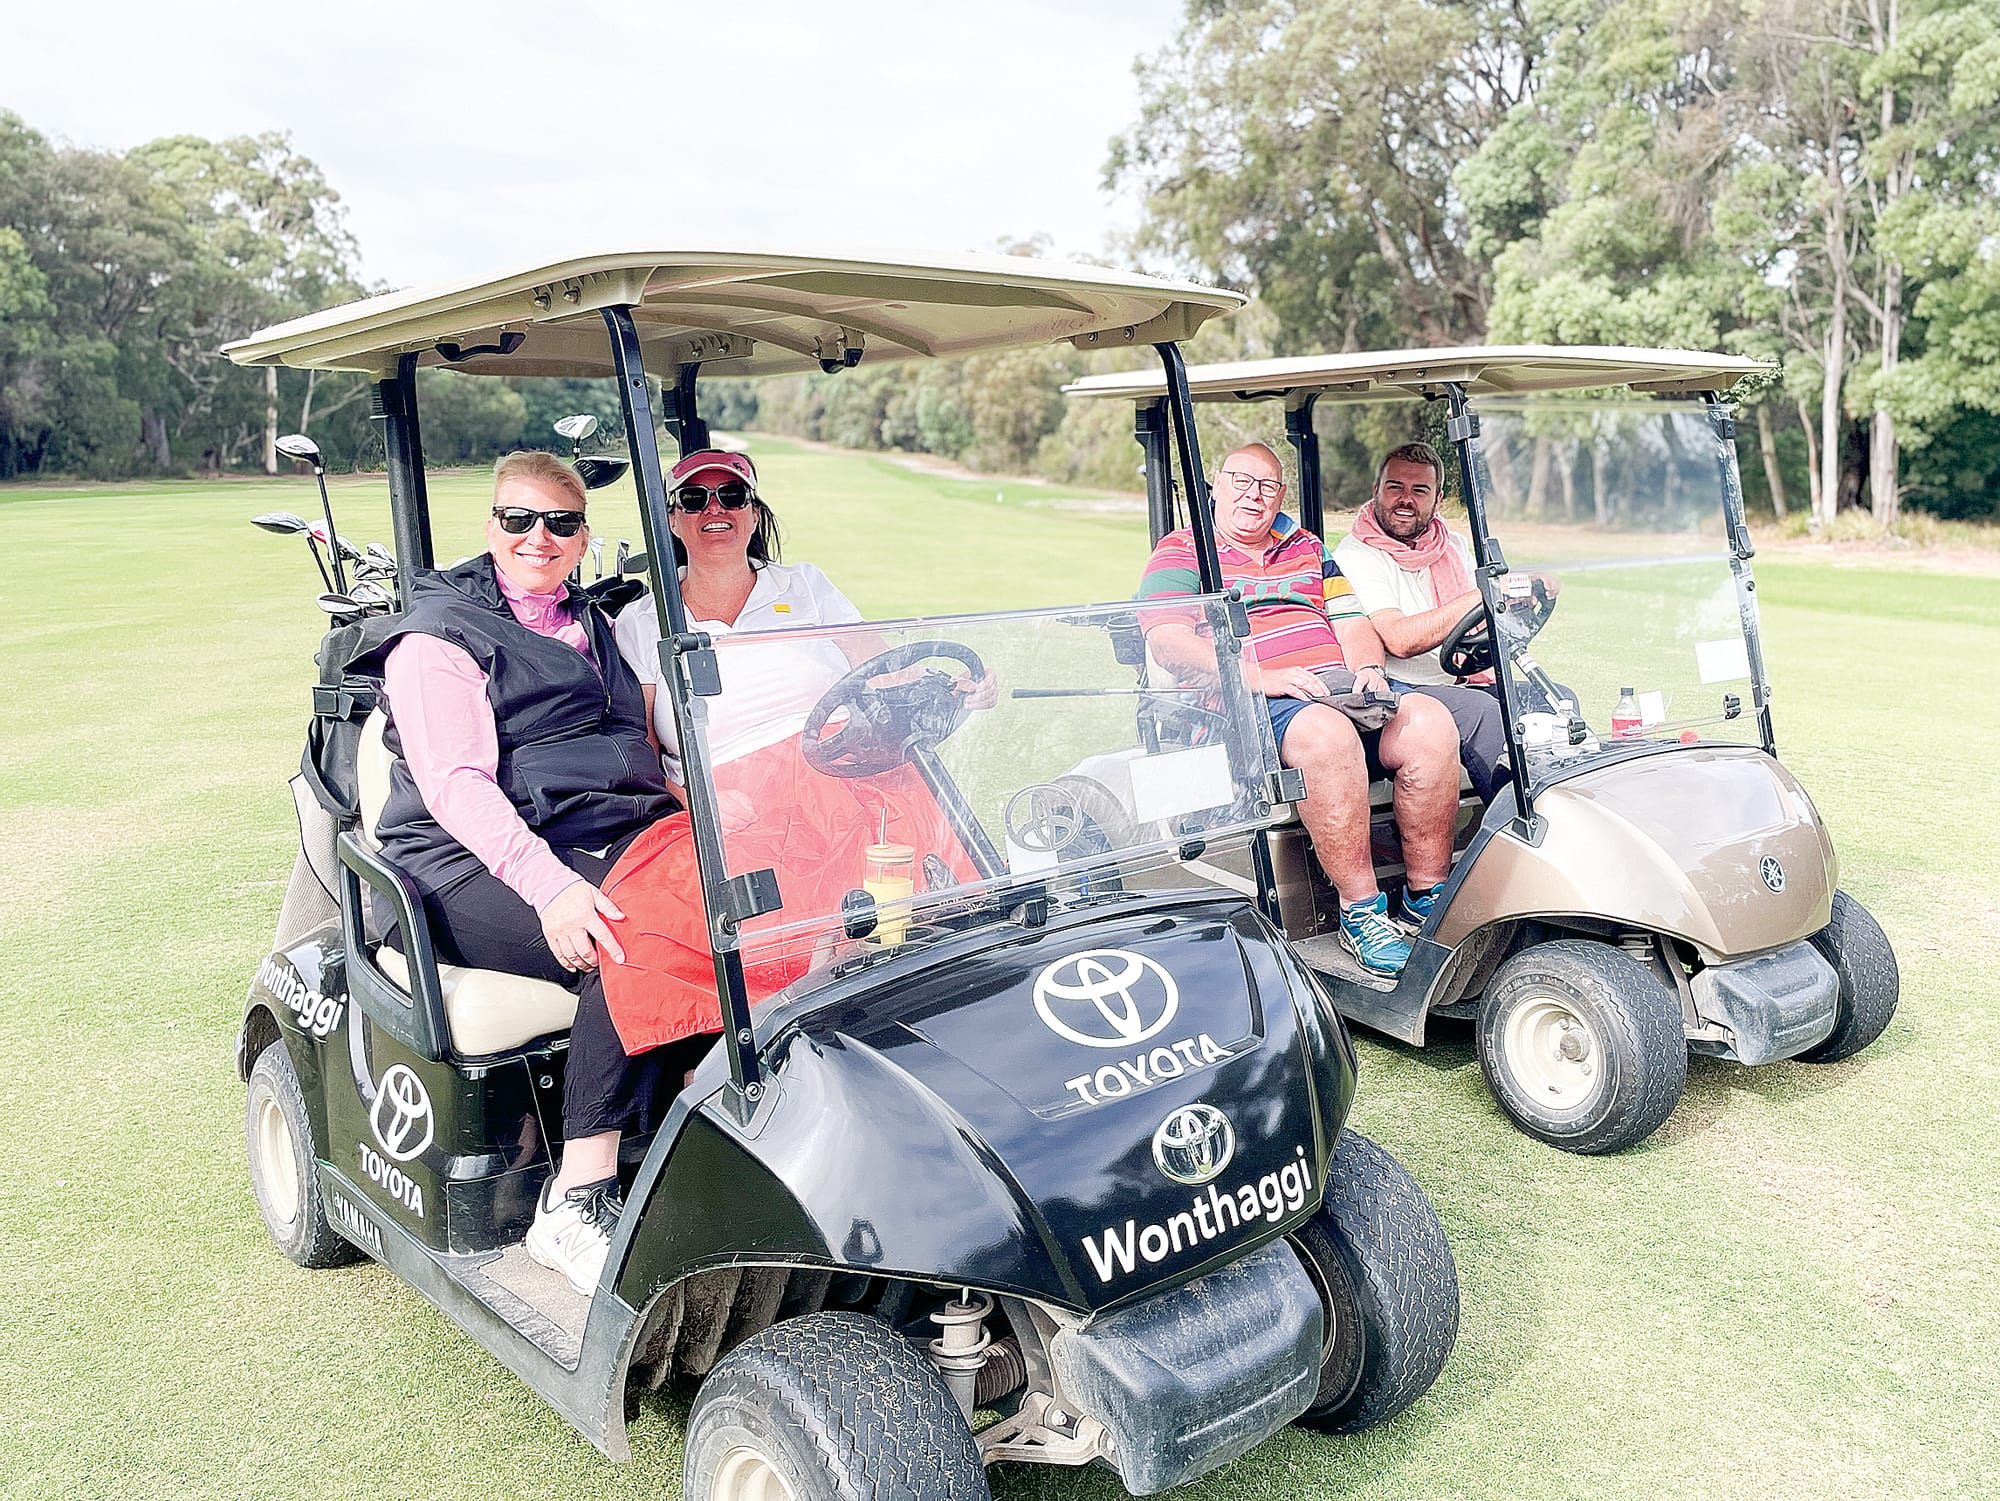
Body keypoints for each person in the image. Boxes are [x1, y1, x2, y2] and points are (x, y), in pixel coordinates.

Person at [350, 451, 681, 1297]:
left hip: (578, 834)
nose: (539, 537)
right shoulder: (438, 639)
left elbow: (621, 749)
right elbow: (459, 790)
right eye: (518, 519)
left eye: (561, 522)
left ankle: (691, 1139)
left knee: (736, 901)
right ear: (491, 525)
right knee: (629, 933)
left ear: (583, 537)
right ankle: (576, 1195)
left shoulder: (584, 620)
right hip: (457, 869)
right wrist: (556, 888)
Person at [609, 448, 982, 1030]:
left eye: (731, 496)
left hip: (840, 762)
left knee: (912, 881)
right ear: (674, 520)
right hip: (728, 795)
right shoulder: (643, 619)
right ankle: (763, 1045)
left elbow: (882, 667)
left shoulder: (803, 585)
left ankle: (921, 1014)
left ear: (753, 514)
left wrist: (957, 687)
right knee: (679, 909)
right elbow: (642, 746)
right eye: (695, 499)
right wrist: (693, 801)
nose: (716, 509)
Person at [1137, 442, 1463, 976]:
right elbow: (1169, 643)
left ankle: (1427, 895)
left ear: (1281, 494)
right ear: (1215, 485)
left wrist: (1369, 670)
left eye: (1266, 485)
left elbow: (1351, 620)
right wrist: (1266, 677)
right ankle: (1363, 913)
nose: (1254, 494)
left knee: (1430, 721)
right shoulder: (1181, 550)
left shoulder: (1307, 546)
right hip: (1248, 703)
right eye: (1242, 481)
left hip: (1333, 687)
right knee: (1327, 736)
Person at [1331, 442, 1545, 803]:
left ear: (1438, 499)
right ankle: (1519, 826)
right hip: (1396, 689)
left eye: (1419, 490)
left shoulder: (1450, 545)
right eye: (1395, 487)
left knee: (1550, 700)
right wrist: (1483, 594)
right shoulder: (1356, 555)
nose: (1405, 499)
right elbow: (1399, 639)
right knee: (1482, 714)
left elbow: (1476, 621)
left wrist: (1529, 591)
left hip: (1456, 681)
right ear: (1376, 491)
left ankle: (1557, 809)